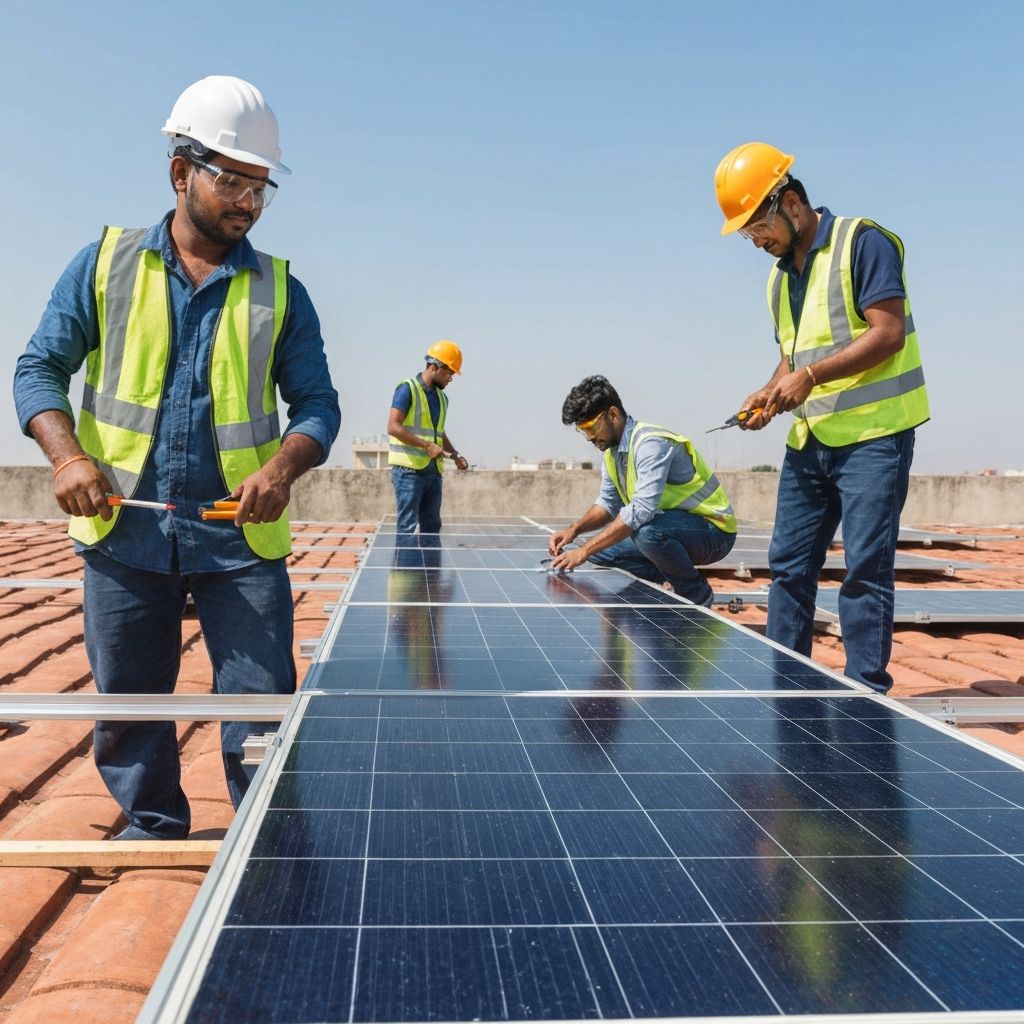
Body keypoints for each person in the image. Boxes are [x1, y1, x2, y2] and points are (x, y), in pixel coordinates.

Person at [13, 75, 340, 839]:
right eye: (232, 181)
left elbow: (318, 406)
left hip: (240, 541)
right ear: (180, 173)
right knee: (130, 703)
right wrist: (66, 458)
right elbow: (38, 370)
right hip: (124, 532)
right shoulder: (104, 265)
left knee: (259, 707)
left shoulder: (281, 292)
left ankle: (264, 835)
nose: (248, 203)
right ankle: (151, 824)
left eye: (260, 188)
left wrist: (282, 469)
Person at [715, 141, 929, 693]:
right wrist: (768, 393)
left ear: (788, 202)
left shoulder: (864, 243)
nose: (755, 241)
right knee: (787, 567)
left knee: (864, 573)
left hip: (874, 438)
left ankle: (865, 700)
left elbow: (888, 332)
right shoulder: (778, 278)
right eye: (746, 234)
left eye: (756, 227)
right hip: (811, 440)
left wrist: (808, 379)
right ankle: (791, 687)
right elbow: (794, 354)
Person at [549, 375, 736, 606]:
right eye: (582, 430)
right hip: (670, 528)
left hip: (713, 531)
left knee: (644, 533)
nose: (589, 437)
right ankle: (667, 580)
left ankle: (695, 593)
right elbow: (607, 504)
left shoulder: (650, 444)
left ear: (613, 415)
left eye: (591, 427)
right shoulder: (611, 453)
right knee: (599, 551)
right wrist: (574, 530)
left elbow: (641, 511)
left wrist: (584, 552)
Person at [386, 341, 469, 535]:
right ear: (433, 367)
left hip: (433, 473)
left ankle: (429, 567)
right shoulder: (407, 389)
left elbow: (439, 432)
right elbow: (393, 426)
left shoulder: (442, 398)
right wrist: (426, 446)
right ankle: (404, 566)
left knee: (432, 528)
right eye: (449, 373)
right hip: (408, 472)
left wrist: (455, 455)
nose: (451, 379)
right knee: (407, 529)